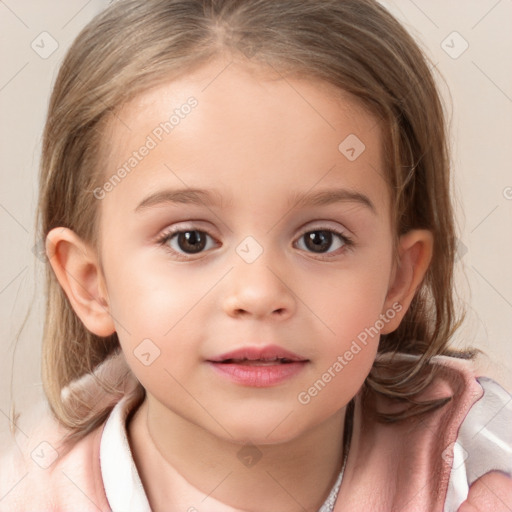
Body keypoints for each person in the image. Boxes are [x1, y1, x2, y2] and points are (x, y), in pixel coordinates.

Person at [1, 0, 511, 510]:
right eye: (190, 240)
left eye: (320, 239)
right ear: (92, 283)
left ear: (398, 281)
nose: (259, 294)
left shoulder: (476, 473)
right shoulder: (29, 496)